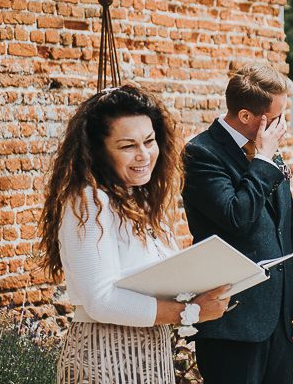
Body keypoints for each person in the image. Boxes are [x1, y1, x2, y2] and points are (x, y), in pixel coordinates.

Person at [39, 85, 232, 384]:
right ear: (100, 151)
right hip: (104, 355)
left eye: (149, 141)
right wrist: (190, 311)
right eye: (128, 146)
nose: (143, 155)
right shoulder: (89, 201)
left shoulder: (141, 201)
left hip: (151, 352)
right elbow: (100, 301)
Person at [182, 63, 293, 384]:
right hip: (232, 322)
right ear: (246, 116)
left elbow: (289, 230)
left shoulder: (267, 152)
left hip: (279, 322)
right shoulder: (201, 154)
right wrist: (262, 161)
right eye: (275, 118)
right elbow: (237, 217)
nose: (282, 126)